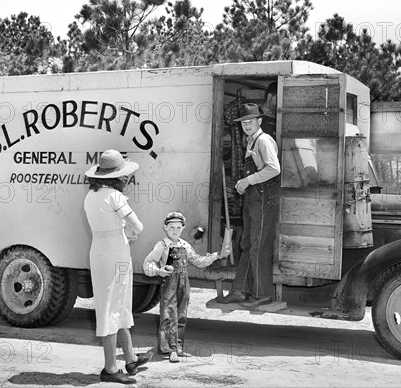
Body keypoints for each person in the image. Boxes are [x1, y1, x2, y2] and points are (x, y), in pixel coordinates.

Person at [84, 149, 152, 384]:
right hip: (118, 255)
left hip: (101, 252)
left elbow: (105, 226)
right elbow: (139, 227)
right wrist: (130, 233)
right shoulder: (115, 197)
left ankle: (130, 358)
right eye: (123, 176)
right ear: (116, 177)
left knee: (116, 304)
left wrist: (124, 232)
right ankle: (111, 368)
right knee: (116, 306)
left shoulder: (90, 196)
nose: (125, 179)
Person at [143, 212, 231, 363]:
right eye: (171, 227)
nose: (175, 231)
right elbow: (147, 264)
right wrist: (158, 271)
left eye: (178, 227)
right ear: (165, 227)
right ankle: (169, 349)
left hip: (184, 284)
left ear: (183, 228)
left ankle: (178, 347)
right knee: (169, 315)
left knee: (182, 315)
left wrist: (217, 256)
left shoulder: (185, 245)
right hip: (169, 284)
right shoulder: (162, 246)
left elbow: (198, 261)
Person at [217, 103, 281, 308]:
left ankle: (262, 293)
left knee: (259, 246)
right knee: (247, 244)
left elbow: (274, 169)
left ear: (259, 121)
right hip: (253, 199)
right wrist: (244, 185)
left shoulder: (263, 140)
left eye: (250, 121)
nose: (246, 125)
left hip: (264, 200)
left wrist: (249, 181)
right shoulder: (250, 141)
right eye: (244, 122)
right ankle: (240, 290)